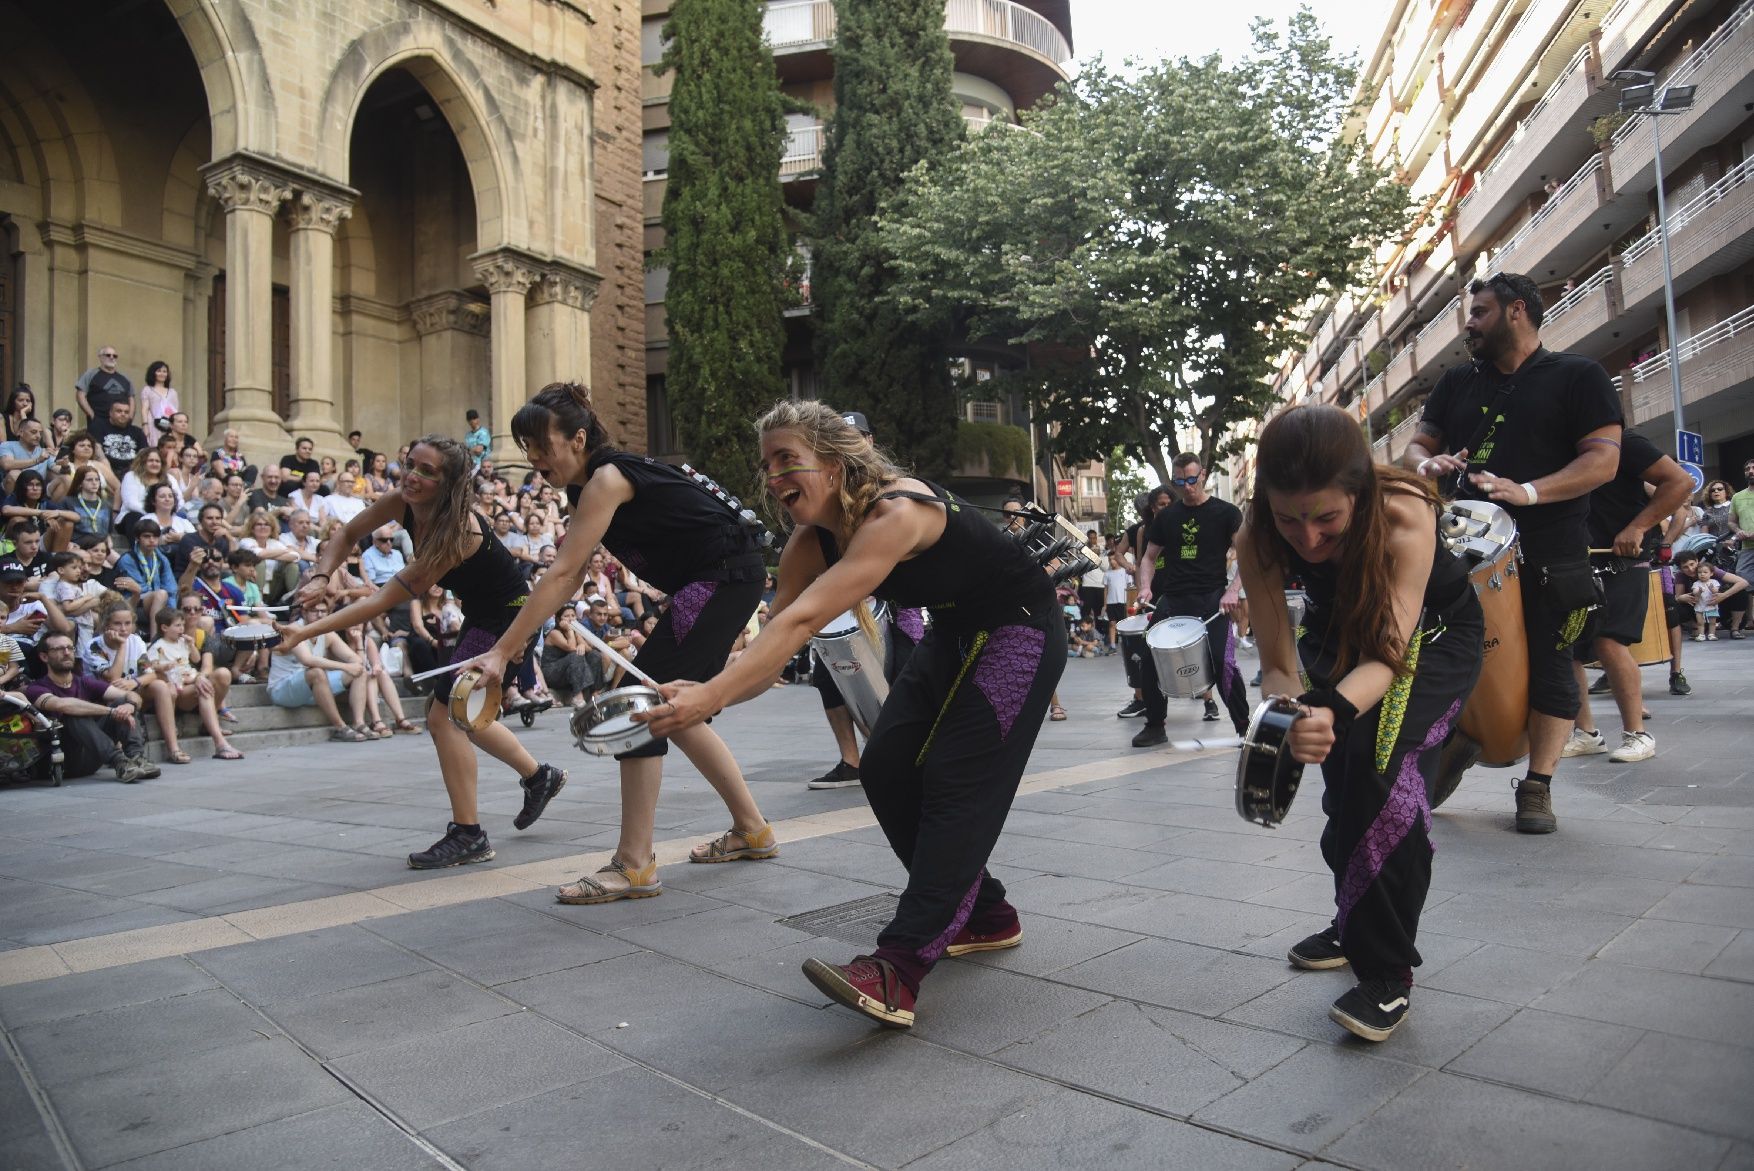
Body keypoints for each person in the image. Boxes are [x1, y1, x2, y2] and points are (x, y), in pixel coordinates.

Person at [637, 399, 1063, 1029]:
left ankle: (900, 966)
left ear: (835, 465)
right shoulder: (810, 542)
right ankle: (987, 914)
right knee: (886, 766)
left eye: (789, 461)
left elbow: (807, 620)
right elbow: (777, 639)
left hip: (1018, 632)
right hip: (953, 634)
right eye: (767, 466)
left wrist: (712, 696)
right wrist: (700, 692)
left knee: (955, 778)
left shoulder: (896, 512)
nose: (776, 479)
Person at [470, 383, 777, 903]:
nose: (535, 458)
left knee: (643, 707)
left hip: (721, 576)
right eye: (527, 448)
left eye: (542, 445)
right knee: (675, 705)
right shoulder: (593, 483)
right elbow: (569, 575)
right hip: (722, 576)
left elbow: (566, 572)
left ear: (579, 438)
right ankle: (752, 830)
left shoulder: (608, 478)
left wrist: (503, 648)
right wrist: (515, 641)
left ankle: (635, 864)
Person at [1237, 405, 1483, 1043]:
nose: (1308, 539)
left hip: (1427, 639)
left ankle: (1387, 973)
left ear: (1359, 494)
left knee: (1382, 775)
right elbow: (1275, 663)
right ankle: (1353, 918)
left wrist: (1334, 711)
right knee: (1343, 786)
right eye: (1290, 519)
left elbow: (1391, 654)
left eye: (1326, 520)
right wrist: (1295, 715)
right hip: (1337, 637)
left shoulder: (1404, 511)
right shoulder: (1256, 537)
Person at [275, 435, 568, 867]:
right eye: (411, 464)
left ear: (448, 483)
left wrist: (303, 633)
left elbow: (380, 601)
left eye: (427, 472)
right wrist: (321, 575)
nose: (412, 476)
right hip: (483, 611)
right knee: (462, 714)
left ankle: (469, 833)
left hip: (507, 616)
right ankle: (539, 776)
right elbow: (349, 532)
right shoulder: (403, 500)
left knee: (446, 716)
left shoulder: (456, 533)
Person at [1402, 272, 1622, 835]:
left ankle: (1537, 786)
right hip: (1465, 548)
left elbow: (1603, 460)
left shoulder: (1579, 376)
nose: (1469, 325)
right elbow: (1416, 447)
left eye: (1478, 313)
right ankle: (1451, 747)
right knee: (1444, 656)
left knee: (1553, 664)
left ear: (1516, 311)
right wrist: (1425, 465)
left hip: (1554, 550)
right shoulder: (1456, 382)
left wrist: (1530, 491)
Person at [1559, 431, 1692, 764]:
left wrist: (1639, 527)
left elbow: (1680, 484)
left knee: (1609, 641)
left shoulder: (1622, 441)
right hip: (1577, 557)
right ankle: (1586, 734)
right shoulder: (1553, 444)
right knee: (1571, 647)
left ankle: (1638, 733)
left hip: (1623, 557)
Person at [1134, 454, 1249, 745]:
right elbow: (1148, 558)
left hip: (1212, 598)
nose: (1186, 487)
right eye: (1179, 482)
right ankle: (1155, 724)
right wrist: (1145, 587)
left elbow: (1249, 556)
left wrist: (1233, 590)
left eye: (1191, 479)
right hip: (1173, 598)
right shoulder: (1167, 517)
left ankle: (1244, 726)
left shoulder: (1227, 513)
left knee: (1224, 663)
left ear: (1203, 475)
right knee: (1148, 659)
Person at [25, 631, 159, 782]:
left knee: (123, 702)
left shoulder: (84, 682)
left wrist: (130, 705)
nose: (67, 652)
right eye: (59, 649)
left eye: (70, 648)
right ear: (44, 657)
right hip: (63, 760)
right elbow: (62, 705)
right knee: (71, 715)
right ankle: (120, 762)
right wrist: (111, 711)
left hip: (92, 756)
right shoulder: (36, 688)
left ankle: (136, 758)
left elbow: (131, 695)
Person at [143, 606, 243, 761]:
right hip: (175, 685)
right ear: (164, 627)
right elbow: (150, 667)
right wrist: (163, 667)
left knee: (205, 686)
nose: (182, 628)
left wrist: (191, 645)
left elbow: (196, 660)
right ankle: (220, 743)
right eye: (177, 625)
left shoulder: (183, 642)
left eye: (182, 625)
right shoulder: (158, 646)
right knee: (203, 687)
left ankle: (220, 743)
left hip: (190, 680)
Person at [1116, 487, 1171, 719]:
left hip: (1176, 591)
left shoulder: (1177, 523)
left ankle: (1207, 698)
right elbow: (1139, 561)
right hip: (1151, 593)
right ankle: (1141, 699)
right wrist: (1141, 589)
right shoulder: (1140, 531)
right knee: (1141, 645)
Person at [116, 519, 177, 620]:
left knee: (169, 600)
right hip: (133, 603)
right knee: (161, 594)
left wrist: (172, 611)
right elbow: (140, 589)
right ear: (137, 538)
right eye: (147, 536)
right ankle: (155, 636)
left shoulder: (161, 559)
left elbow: (171, 588)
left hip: (158, 600)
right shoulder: (128, 559)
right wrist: (160, 597)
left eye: (155, 536)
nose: (152, 540)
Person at [91, 400, 149, 479]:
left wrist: (135, 469)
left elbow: (144, 452)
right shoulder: (99, 428)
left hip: (133, 472)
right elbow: (97, 449)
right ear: (110, 413)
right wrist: (107, 469)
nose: (123, 414)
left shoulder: (137, 431)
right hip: (107, 470)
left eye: (126, 412)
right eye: (119, 411)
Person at [74, 345, 133, 423]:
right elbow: (80, 396)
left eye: (114, 356)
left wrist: (129, 417)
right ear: (100, 357)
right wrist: (92, 415)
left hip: (121, 423)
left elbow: (131, 398)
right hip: (99, 422)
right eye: (108, 355)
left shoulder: (124, 378)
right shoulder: (90, 374)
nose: (112, 357)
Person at [1729, 458, 1754, 639]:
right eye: (1747, 469)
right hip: (1747, 547)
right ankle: (1749, 619)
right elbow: (1731, 521)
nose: (1750, 471)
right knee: (1742, 580)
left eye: (1753, 468)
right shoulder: (1737, 496)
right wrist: (1738, 531)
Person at [0, 416, 56, 483]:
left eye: (40, 433)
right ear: (21, 432)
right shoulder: (7, 445)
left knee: (64, 477)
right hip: (16, 489)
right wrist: (37, 460)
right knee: (14, 474)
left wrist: (65, 466)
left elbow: (55, 467)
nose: (38, 436)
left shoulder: (43, 452)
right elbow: (7, 464)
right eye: (33, 432)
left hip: (39, 488)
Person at [139, 361, 179, 431]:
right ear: (153, 373)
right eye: (159, 371)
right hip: (153, 425)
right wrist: (145, 425)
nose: (162, 374)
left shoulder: (173, 392)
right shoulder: (148, 390)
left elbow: (175, 412)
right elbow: (144, 410)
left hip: (168, 425)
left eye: (164, 371)